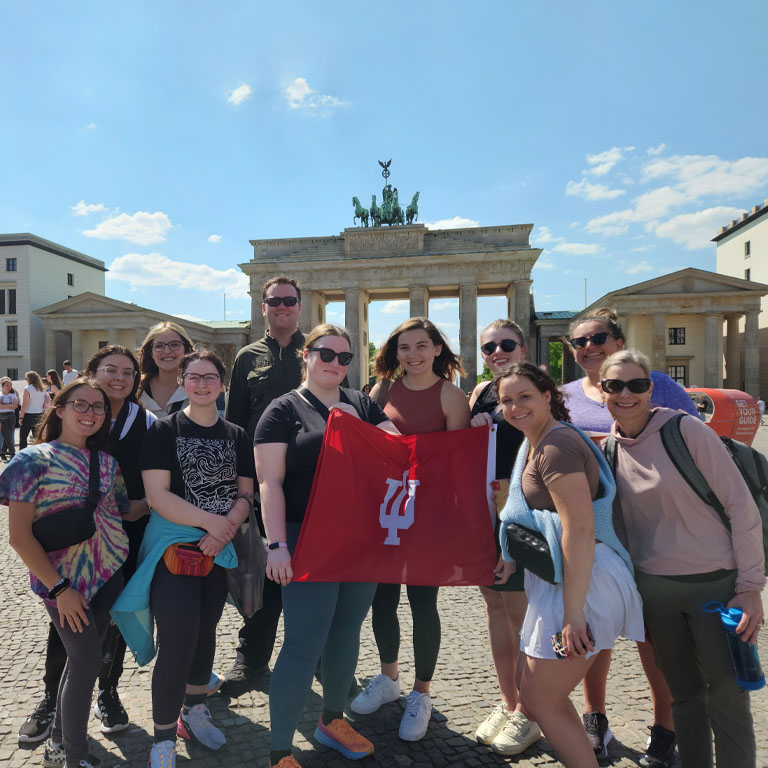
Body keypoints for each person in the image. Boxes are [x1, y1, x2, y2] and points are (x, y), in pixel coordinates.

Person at [599, 349, 765, 768]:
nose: (626, 394)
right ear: (602, 391)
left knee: (727, 698)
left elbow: (740, 508)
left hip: (715, 586)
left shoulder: (684, 429)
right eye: (614, 386)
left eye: (636, 385)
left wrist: (750, 589)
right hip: (657, 595)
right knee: (685, 697)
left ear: (650, 389)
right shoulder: (608, 449)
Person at [561, 307, 699, 765]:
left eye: (598, 337)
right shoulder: (562, 395)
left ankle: (665, 726)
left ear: (618, 341)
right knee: (594, 627)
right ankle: (594, 716)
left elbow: (694, 442)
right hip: (594, 530)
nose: (589, 347)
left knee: (652, 632)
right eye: (579, 342)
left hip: (653, 525)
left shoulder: (658, 383)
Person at [256, 323, 397, 768]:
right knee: (303, 641)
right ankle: (281, 750)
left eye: (344, 357)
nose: (335, 363)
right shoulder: (281, 410)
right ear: (306, 355)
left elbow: (399, 454)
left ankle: (332, 719)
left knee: (346, 632)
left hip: (359, 537)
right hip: (304, 536)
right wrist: (276, 544)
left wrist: (360, 429)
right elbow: (269, 483)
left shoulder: (363, 403)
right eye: (326, 354)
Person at [496, 362, 644, 768]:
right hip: (569, 579)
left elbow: (578, 530)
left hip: (584, 584)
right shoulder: (539, 439)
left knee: (542, 697)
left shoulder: (555, 446)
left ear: (547, 396)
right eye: (506, 400)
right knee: (536, 691)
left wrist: (573, 613)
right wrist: (512, 556)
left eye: (524, 396)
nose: (514, 406)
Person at [17, 346, 156, 743]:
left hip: (118, 537)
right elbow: (19, 532)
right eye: (110, 370)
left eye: (128, 372)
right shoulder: (50, 446)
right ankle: (51, 702)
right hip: (64, 548)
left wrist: (156, 506)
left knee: (111, 620)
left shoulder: (142, 420)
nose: (119, 378)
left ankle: (107, 692)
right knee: (68, 630)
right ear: (91, 374)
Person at [351, 317, 471, 741]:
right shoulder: (382, 390)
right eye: (404, 347)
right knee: (382, 601)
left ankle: (422, 692)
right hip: (386, 511)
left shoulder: (453, 396)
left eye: (422, 345)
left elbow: (459, 464)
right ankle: (389, 678)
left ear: (437, 349)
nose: (413, 354)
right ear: (395, 352)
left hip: (430, 516)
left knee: (423, 604)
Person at [3, 378, 129, 768]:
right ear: (59, 409)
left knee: (81, 662)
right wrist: (60, 588)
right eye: (81, 404)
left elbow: (123, 510)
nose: (90, 412)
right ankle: (73, 756)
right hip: (62, 585)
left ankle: (59, 740)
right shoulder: (30, 460)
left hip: (109, 575)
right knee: (87, 660)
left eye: (98, 407)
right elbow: (19, 538)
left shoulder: (108, 463)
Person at [137, 350, 254, 768]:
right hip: (175, 547)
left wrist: (225, 527)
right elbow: (157, 495)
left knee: (206, 633)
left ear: (221, 384)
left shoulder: (237, 434)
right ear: (183, 381)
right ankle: (163, 739)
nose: (201, 384)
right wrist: (212, 525)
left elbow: (245, 492)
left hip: (218, 548)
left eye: (209, 377)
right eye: (193, 377)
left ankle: (194, 708)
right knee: (177, 641)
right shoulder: (164, 431)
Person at [222, 275, 305, 690]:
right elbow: (236, 424)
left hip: (310, 483)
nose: (282, 307)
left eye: (289, 300)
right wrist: (241, 485)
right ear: (263, 307)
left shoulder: (320, 352)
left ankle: (315, 659)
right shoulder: (245, 358)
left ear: (300, 306)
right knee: (261, 573)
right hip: (258, 484)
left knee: (310, 575)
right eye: (274, 301)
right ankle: (251, 660)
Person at [468, 320, 540, 755]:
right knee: (495, 609)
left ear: (524, 347)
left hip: (522, 517)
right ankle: (510, 700)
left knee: (522, 616)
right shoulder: (481, 393)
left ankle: (531, 712)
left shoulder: (534, 388)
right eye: (489, 347)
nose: (497, 351)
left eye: (506, 344)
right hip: (485, 518)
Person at [137, 322, 194, 417]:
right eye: (159, 346)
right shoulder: (136, 391)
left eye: (174, 345)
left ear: (186, 349)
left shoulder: (198, 390)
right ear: (150, 352)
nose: (167, 351)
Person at [19, 370, 49, 450]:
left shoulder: (28, 389)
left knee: (23, 437)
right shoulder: (43, 388)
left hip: (28, 415)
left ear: (29, 379)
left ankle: (22, 455)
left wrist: (21, 417)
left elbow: (25, 404)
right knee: (37, 438)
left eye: (26, 378)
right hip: (40, 415)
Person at [0, 376, 19, 461]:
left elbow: (15, 406)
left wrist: (4, 406)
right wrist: (9, 406)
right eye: (7, 385)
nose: (9, 387)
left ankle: (3, 453)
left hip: (12, 416)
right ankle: (13, 452)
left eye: (10, 385)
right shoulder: (0, 395)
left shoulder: (13, 394)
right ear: (2, 386)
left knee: (8, 435)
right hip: (2, 416)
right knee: (7, 435)